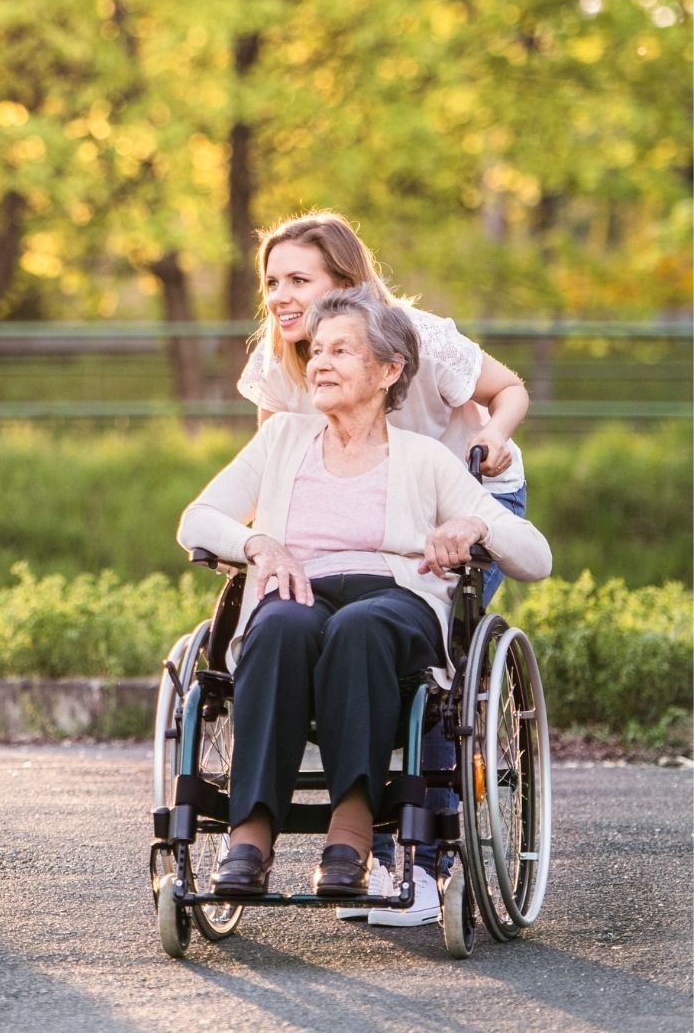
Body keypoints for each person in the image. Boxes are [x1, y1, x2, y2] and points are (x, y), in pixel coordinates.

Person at [176, 286, 551, 903]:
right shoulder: (282, 441)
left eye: (342, 351)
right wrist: (258, 544)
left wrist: (476, 525)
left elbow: (536, 555)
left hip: (394, 601)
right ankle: (251, 833)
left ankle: (349, 832)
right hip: (299, 589)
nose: (319, 362)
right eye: (317, 350)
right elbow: (197, 518)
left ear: (388, 371)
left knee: (362, 627)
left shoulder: (426, 459)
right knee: (276, 627)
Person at [236, 210, 530, 924]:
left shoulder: (417, 336)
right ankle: (278, 831)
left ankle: (425, 865)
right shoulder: (282, 358)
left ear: (346, 281)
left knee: (425, 666)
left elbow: (510, 387)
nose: (279, 294)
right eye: (272, 280)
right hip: (358, 522)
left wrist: (490, 435)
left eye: (298, 279)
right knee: (299, 625)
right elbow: (277, 473)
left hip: (463, 497)